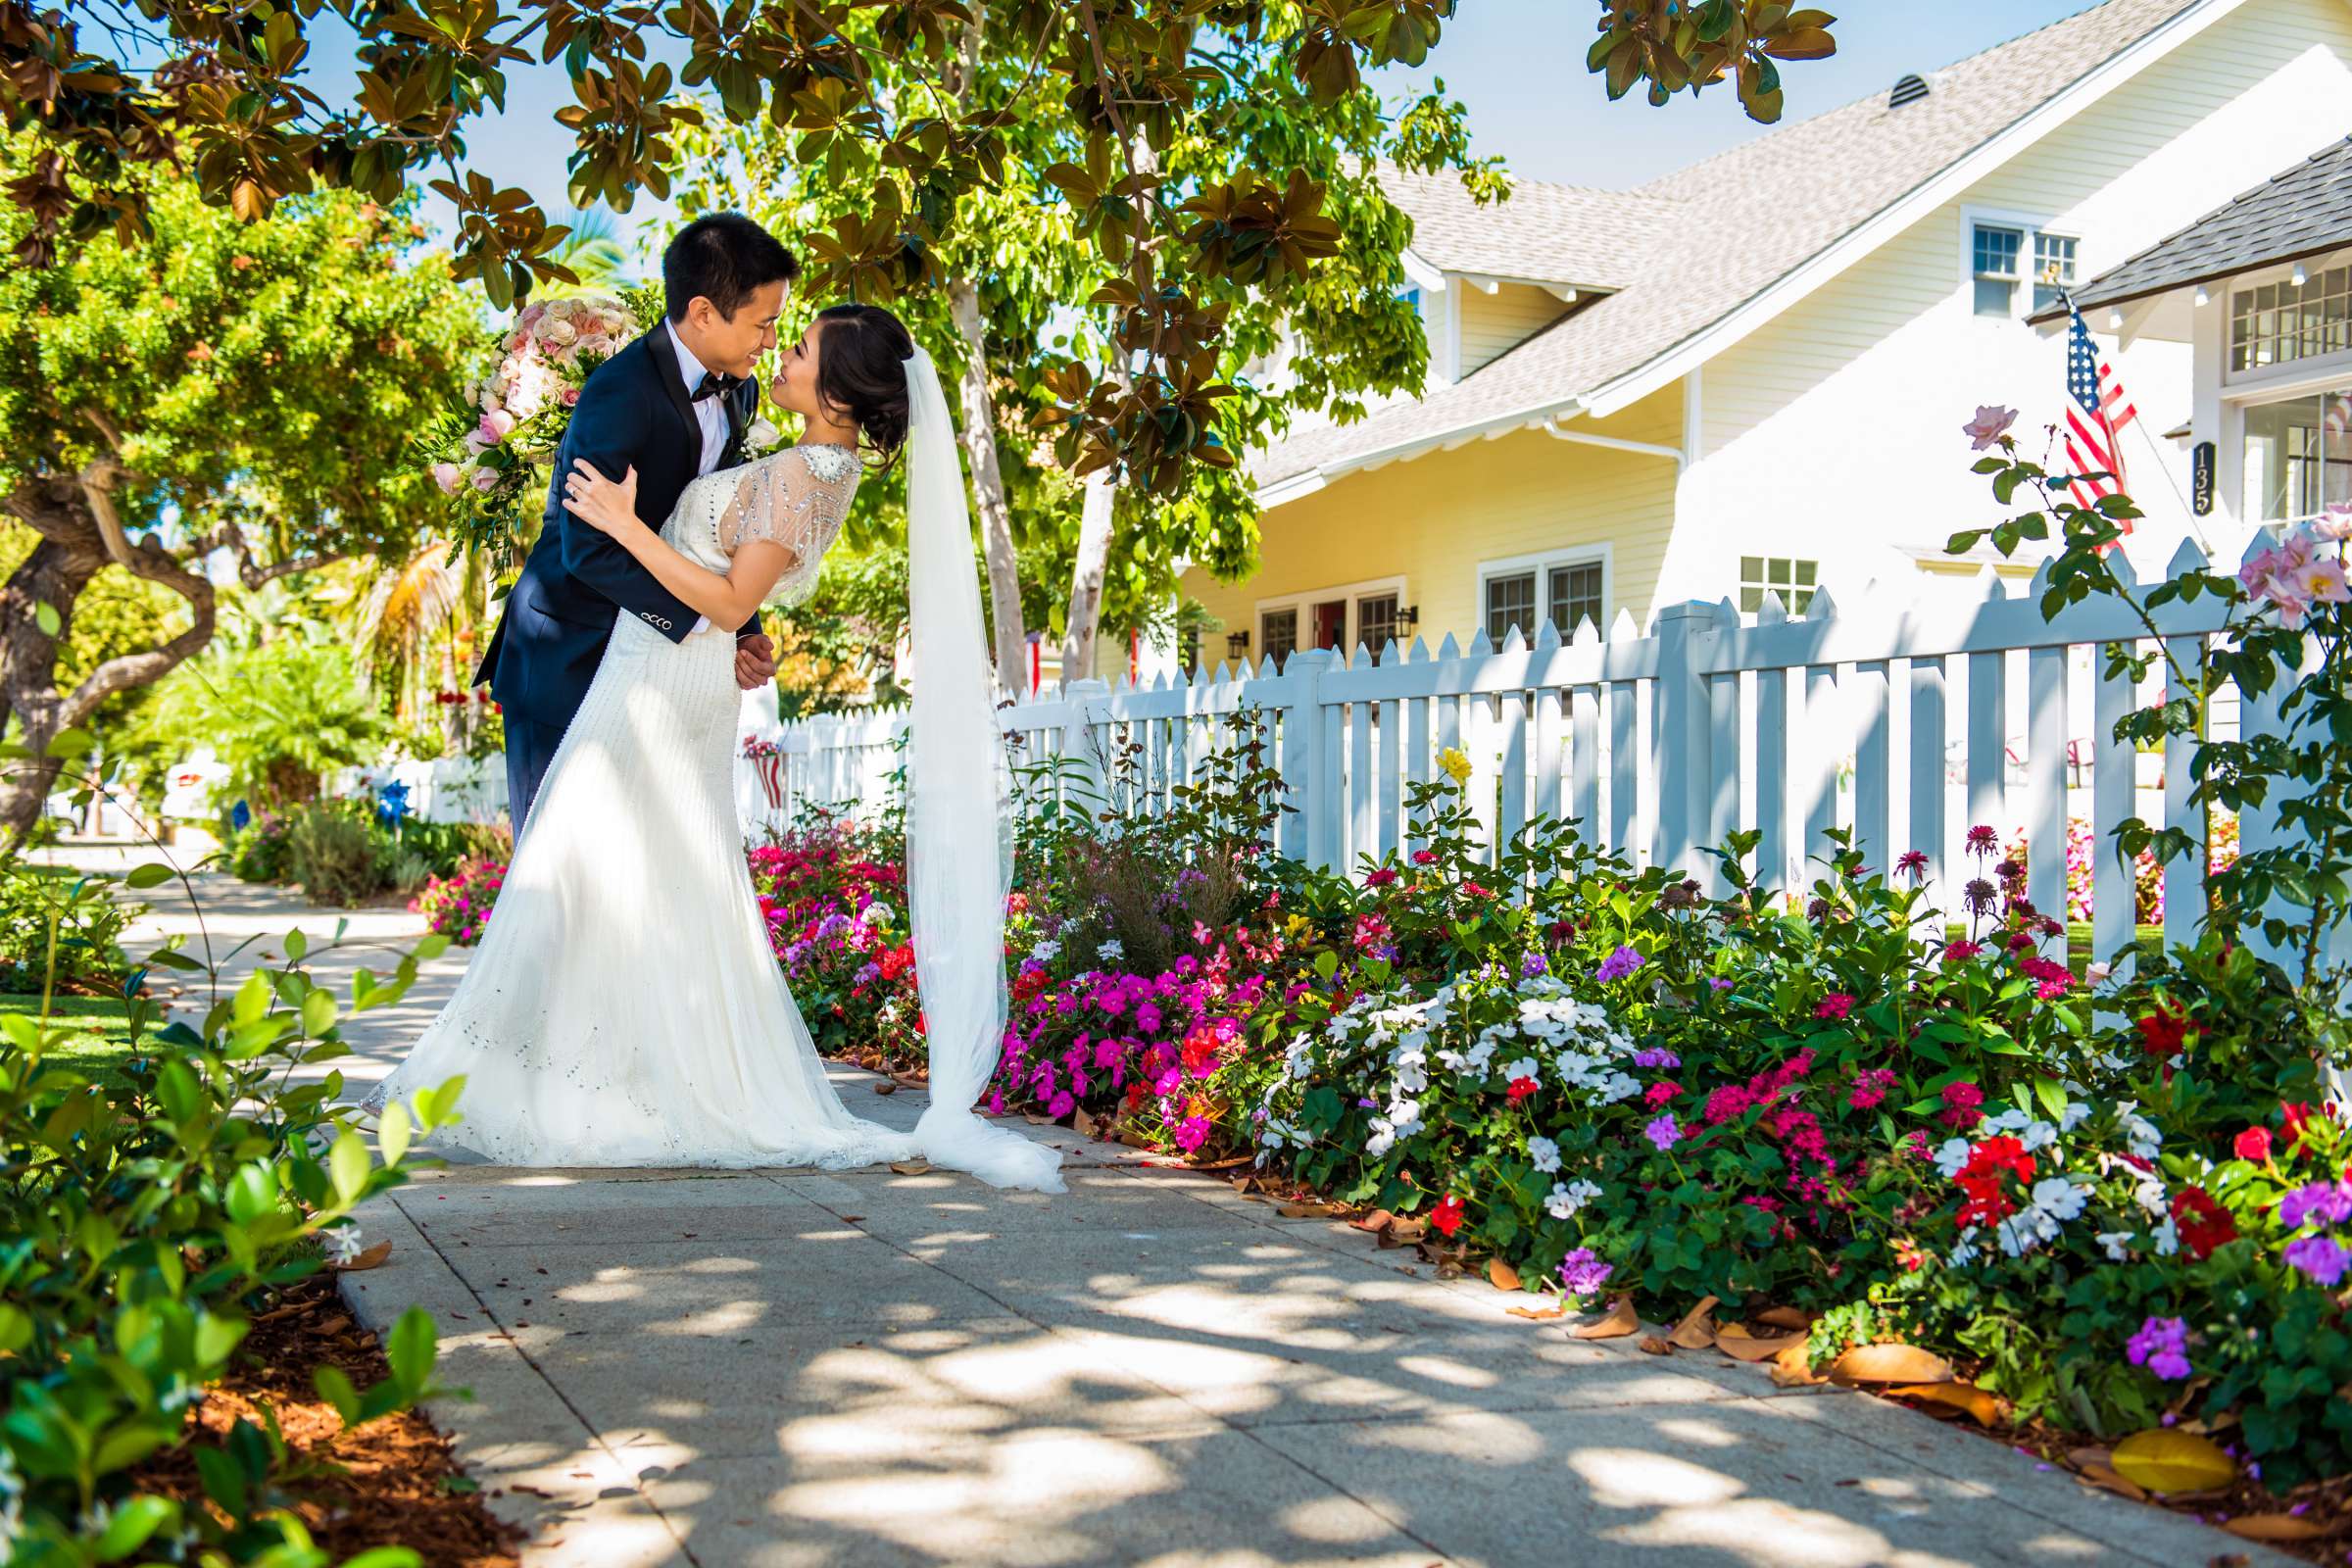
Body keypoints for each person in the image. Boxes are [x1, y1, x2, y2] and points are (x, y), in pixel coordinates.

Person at [367, 300, 1064, 1194]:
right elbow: (737, 600)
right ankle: (586, 1078)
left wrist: (621, 526)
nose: (784, 350)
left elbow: (730, 599)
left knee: (586, 869)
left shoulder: (809, 471)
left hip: (663, 685)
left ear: (841, 392)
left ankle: (582, 1088)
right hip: (664, 672)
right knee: (624, 877)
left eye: (803, 347)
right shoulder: (810, 461)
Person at [474, 213, 793, 832]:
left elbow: (706, 526)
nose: (771, 339)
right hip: (565, 648)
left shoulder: (740, 392)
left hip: (647, 660)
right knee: (556, 863)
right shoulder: (622, 391)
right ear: (703, 312)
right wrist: (708, 621)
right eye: (763, 322)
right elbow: (586, 547)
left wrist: (741, 626)